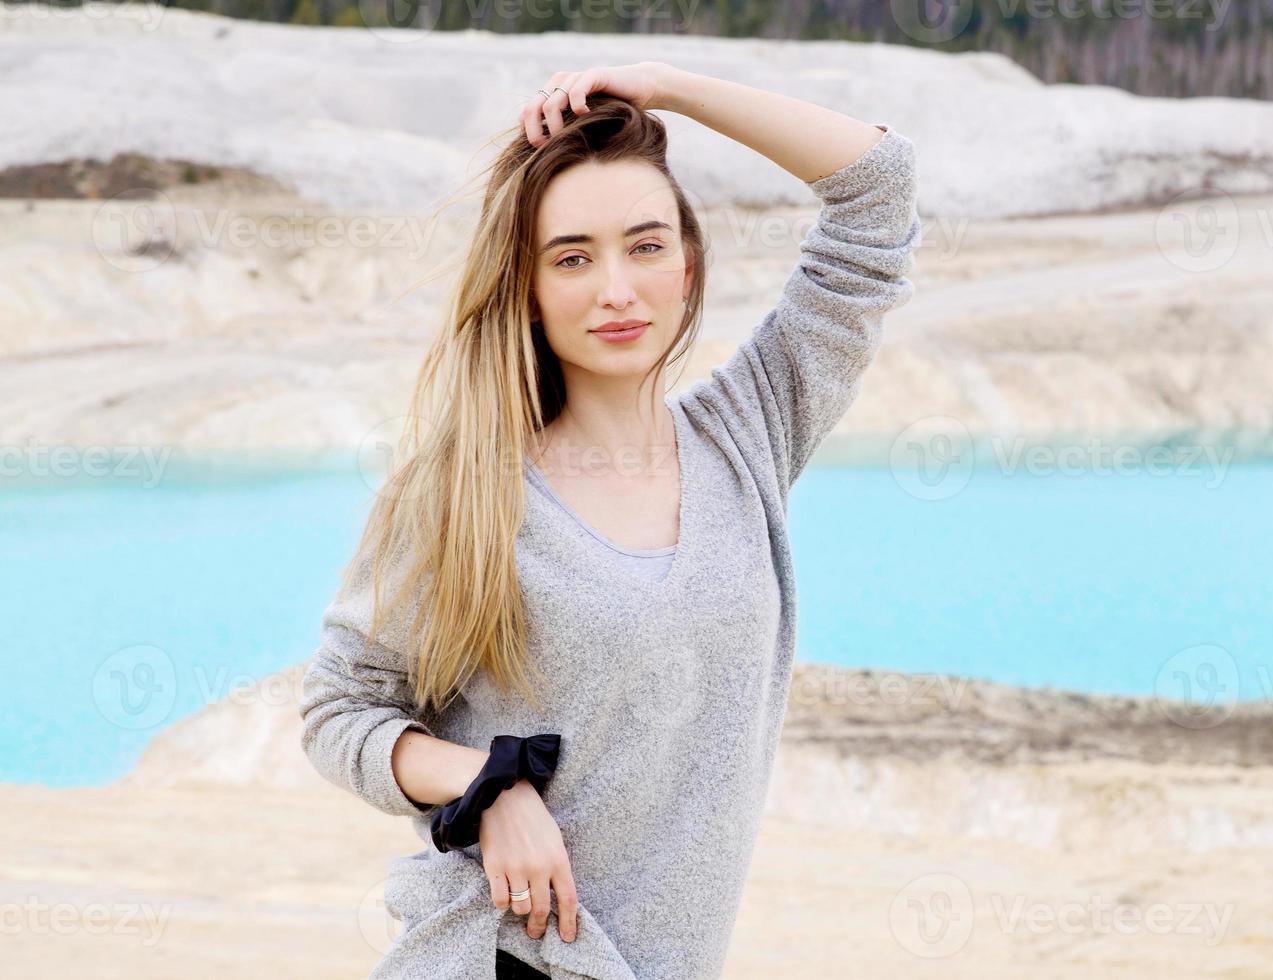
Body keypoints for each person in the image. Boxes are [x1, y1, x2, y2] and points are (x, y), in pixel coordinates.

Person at [297, 61, 920, 980]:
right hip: (497, 958)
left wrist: (670, 88)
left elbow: (879, 187)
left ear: (689, 264)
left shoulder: (750, 433)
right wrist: (487, 785)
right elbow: (339, 712)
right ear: (529, 286)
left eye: (647, 245)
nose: (617, 289)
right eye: (573, 257)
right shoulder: (468, 490)